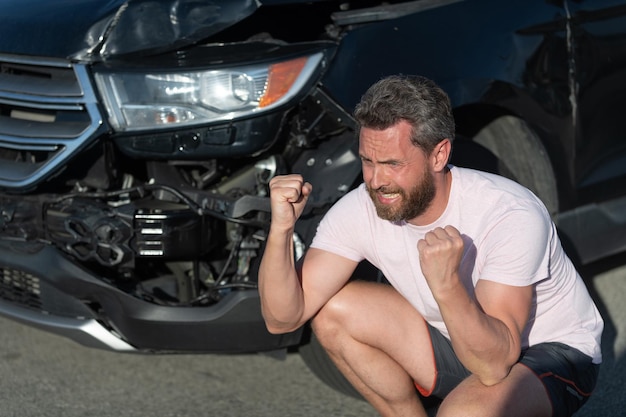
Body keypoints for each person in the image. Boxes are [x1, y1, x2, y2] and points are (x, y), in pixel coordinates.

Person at [258, 74, 603, 417]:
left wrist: (448, 286)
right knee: (335, 312)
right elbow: (282, 319)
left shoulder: (508, 212)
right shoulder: (360, 208)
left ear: (439, 155)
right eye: (368, 161)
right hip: (458, 340)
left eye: (393, 164)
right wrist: (282, 230)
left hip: (549, 353)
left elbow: (495, 365)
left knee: (463, 413)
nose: (376, 181)